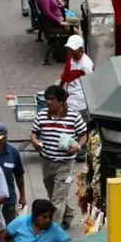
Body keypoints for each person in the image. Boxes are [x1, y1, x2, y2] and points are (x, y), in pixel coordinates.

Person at [29, 86, 87, 230]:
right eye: (47, 99)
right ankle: (69, 214)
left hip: (65, 164)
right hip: (47, 162)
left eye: (52, 99)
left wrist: (78, 147)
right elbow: (34, 133)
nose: (48, 102)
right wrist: (35, 142)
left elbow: (83, 135)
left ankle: (52, 230)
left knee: (57, 198)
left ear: (61, 101)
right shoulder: (42, 115)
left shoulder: (74, 116)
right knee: (53, 194)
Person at [0, 123, 26, 224]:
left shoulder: (13, 152)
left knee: (8, 229)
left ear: (5, 138)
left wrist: (22, 196)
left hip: (8, 200)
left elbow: (19, 175)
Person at [60, 35, 94, 115]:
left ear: (80, 49)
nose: (70, 51)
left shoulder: (86, 65)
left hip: (79, 102)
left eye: (73, 49)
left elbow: (91, 85)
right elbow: (66, 73)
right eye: (69, 49)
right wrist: (59, 87)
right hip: (69, 94)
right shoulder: (70, 57)